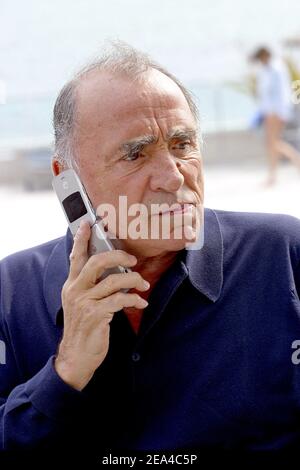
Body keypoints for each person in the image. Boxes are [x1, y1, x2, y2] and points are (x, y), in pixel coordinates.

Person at [1, 42, 300, 464]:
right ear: (65, 178)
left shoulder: (284, 255)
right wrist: (64, 374)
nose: (173, 175)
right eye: (136, 154)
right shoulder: (11, 293)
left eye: (182, 145)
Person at [251, 46, 300, 186]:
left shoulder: (277, 69)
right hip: (269, 111)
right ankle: (274, 174)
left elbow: (283, 92)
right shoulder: (264, 70)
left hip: (276, 111)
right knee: (272, 143)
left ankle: (278, 171)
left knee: (272, 142)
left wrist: (281, 112)